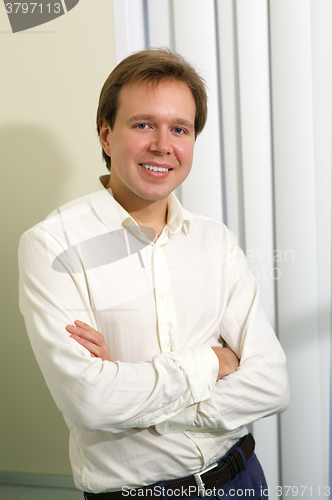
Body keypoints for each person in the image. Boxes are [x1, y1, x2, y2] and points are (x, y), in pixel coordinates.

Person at [19, 48, 289, 500]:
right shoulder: (51, 246)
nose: (163, 145)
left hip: (244, 481)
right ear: (106, 135)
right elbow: (91, 402)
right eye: (143, 124)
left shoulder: (214, 240)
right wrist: (213, 362)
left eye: (179, 129)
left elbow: (272, 384)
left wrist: (138, 394)